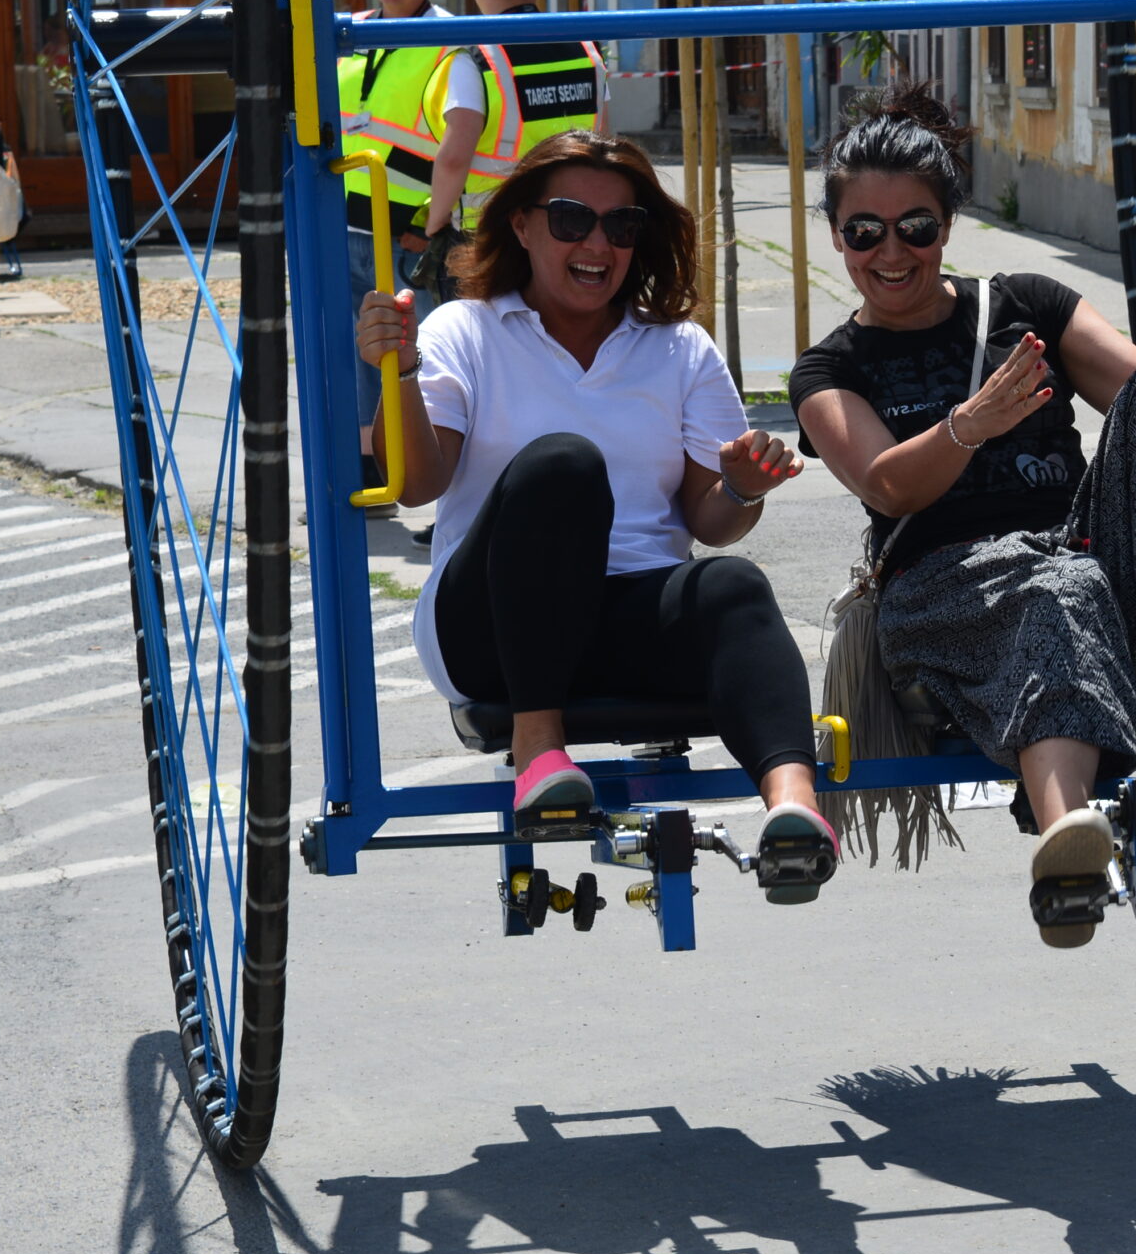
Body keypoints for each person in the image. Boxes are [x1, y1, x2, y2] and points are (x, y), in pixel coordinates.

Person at [789, 83, 1136, 947]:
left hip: (1083, 561)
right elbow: (887, 486)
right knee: (1056, 592)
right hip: (946, 594)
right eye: (864, 232)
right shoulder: (830, 369)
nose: (890, 252)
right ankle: (1067, 846)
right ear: (837, 236)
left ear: (948, 224)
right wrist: (968, 426)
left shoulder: (1026, 304)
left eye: (915, 227)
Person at [355, 129, 838, 896]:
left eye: (622, 225)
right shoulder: (465, 330)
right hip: (490, 627)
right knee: (563, 466)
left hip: (627, 618)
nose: (598, 244)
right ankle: (538, 748)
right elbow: (415, 486)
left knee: (732, 584)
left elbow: (710, 521)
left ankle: (794, 812)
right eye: (572, 219)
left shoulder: (679, 350)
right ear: (522, 224)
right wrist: (402, 373)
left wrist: (741, 487)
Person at [337, 0, 486, 491]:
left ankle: (432, 475)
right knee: (356, 360)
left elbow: (458, 146)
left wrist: (430, 228)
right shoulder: (349, 33)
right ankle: (368, 473)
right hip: (344, 227)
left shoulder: (449, 42)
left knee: (421, 363)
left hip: (406, 239)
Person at [418, 0, 608, 230]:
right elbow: (605, 137)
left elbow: (453, 159)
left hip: (494, 231)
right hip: (571, 224)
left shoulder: (477, 59)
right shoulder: (586, 49)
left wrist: (434, 225)